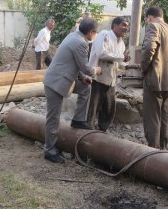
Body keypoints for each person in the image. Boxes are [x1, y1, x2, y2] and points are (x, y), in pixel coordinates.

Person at [43, 18, 101, 163]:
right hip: (56, 83)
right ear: (90, 32)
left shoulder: (73, 36)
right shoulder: (81, 43)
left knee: (86, 88)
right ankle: (49, 151)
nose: (95, 36)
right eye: (95, 33)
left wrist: (82, 78)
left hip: (63, 78)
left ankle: (78, 119)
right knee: (53, 118)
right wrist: (96, 70)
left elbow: (74, 63)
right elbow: (86, 68)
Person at [141, 6, 168, 150]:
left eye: (147, 19)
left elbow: (148, 50)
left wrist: (144, 69)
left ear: (150, 17)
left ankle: (152, 150)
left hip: (154, 80)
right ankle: (162, 148)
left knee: (152, 117)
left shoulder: (153, 27)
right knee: (164, 116)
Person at [87, 17, 130, 131]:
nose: (125, 28)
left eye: (127, 26)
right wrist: (122, 57)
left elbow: (118, 61)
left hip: (111, 79)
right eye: (123, 25)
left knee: (109, 107)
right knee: (93, 105)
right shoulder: (104, 34)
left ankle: (102, 129)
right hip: (98, 77)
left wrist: (127, 63)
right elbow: (102, 53)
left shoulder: (121, 43)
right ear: (114, 25)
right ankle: (87, 130)